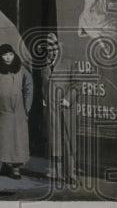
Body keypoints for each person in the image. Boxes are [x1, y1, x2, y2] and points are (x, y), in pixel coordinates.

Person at [0, 43, 33, 178]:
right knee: (0, 141)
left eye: (10, 55)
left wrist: (27, 107)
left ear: (14, 55)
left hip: (17, 112)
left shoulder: (21, 69)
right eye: (5, 55)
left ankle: (16, 169)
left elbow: (28, 87)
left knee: (17, 141)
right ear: (0, 56)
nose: (8, 58)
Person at [40, 33, 76, 181]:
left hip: (65, 108)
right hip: (51, 108)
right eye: (48, 48)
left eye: (53, 47)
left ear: (58, 48)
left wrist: (68, 99)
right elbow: (43, 84)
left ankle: (71, 173)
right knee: (54, 139)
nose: (51, 51)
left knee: (67, 139)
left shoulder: (68, 63)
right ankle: (57, 171)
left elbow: (76, 85)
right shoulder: (44, 65)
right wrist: (44, 98)